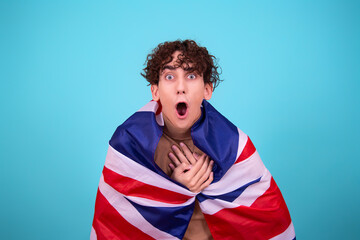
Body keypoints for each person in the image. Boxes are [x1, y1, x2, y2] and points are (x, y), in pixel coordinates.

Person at [91, 40, 295, 240]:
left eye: (191, 75)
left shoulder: (233, 147)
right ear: (155, 91)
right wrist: (175, 190)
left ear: (207, 89)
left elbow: (263, 215)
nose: (181, 87)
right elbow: (118, 223)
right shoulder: (130, 145)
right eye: (169, 76)